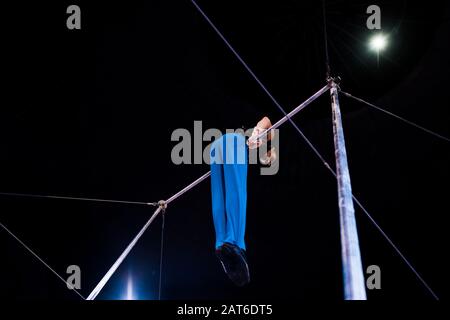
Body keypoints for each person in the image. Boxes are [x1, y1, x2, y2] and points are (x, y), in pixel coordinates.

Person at [209, 116, 276, 286]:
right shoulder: (263, 135)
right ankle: (234, 243)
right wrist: (260, 133)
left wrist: (264, 145)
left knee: (219, 194)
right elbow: (267, 121)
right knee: (236, 192)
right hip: (234, 143)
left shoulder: (258, 141)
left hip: (215, 147)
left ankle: (222, 244)